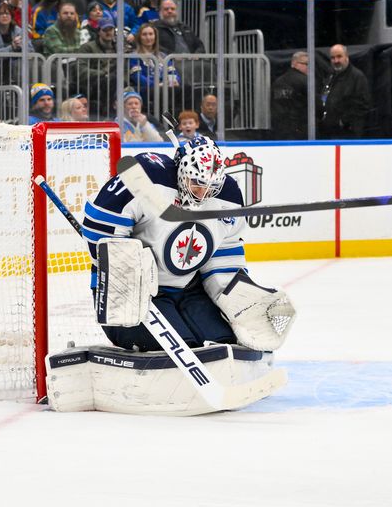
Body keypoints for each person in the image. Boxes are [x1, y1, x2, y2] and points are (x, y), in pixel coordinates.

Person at [81, 136, 294, 354]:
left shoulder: (228, 196)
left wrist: (238, 298)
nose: (202, 194)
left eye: (211, 187)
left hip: (189, 290)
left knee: (223, 342)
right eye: (198, 184)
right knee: (175, 347)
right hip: (132, 295)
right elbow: (99, 227)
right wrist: (131, 273)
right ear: (181, 171)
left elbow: (224, 257)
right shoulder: (148, 176)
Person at [319, 44, 371, 139]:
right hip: (331, 132)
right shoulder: (331, 76)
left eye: (339, 56)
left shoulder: (357, 77)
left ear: (346, 57)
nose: (336, 61)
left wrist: (343, 121)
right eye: (333, 58)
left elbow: (363, 105)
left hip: (348, 134)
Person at [128, 22, 179, 109]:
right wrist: (156, 85)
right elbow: (138, 78)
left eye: (151, 34)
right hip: (146, 89)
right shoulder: (134, 56)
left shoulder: (163, 55)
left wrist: (174, 81)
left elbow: (173, 71)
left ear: (155, 37)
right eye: (144, 34)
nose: (148, 37)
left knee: (186, 89)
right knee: (162, 92)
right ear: (139, 37)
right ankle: (165, 120)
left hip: (164, 86)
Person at [271, 51, 308, 140]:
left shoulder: (278, 81)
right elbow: (315, 104)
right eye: (306, 64)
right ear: (294, 64)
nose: (308, 67)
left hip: (279, 127)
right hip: (300, 128)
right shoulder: (305, 81)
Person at [0, 2, 32, 81]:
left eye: (7, 13)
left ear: (11, 17)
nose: (5, 16)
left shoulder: (19, 31)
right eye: (1, 14)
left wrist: (21, 47)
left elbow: (31, 50)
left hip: (18, 69)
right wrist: (12, 48)